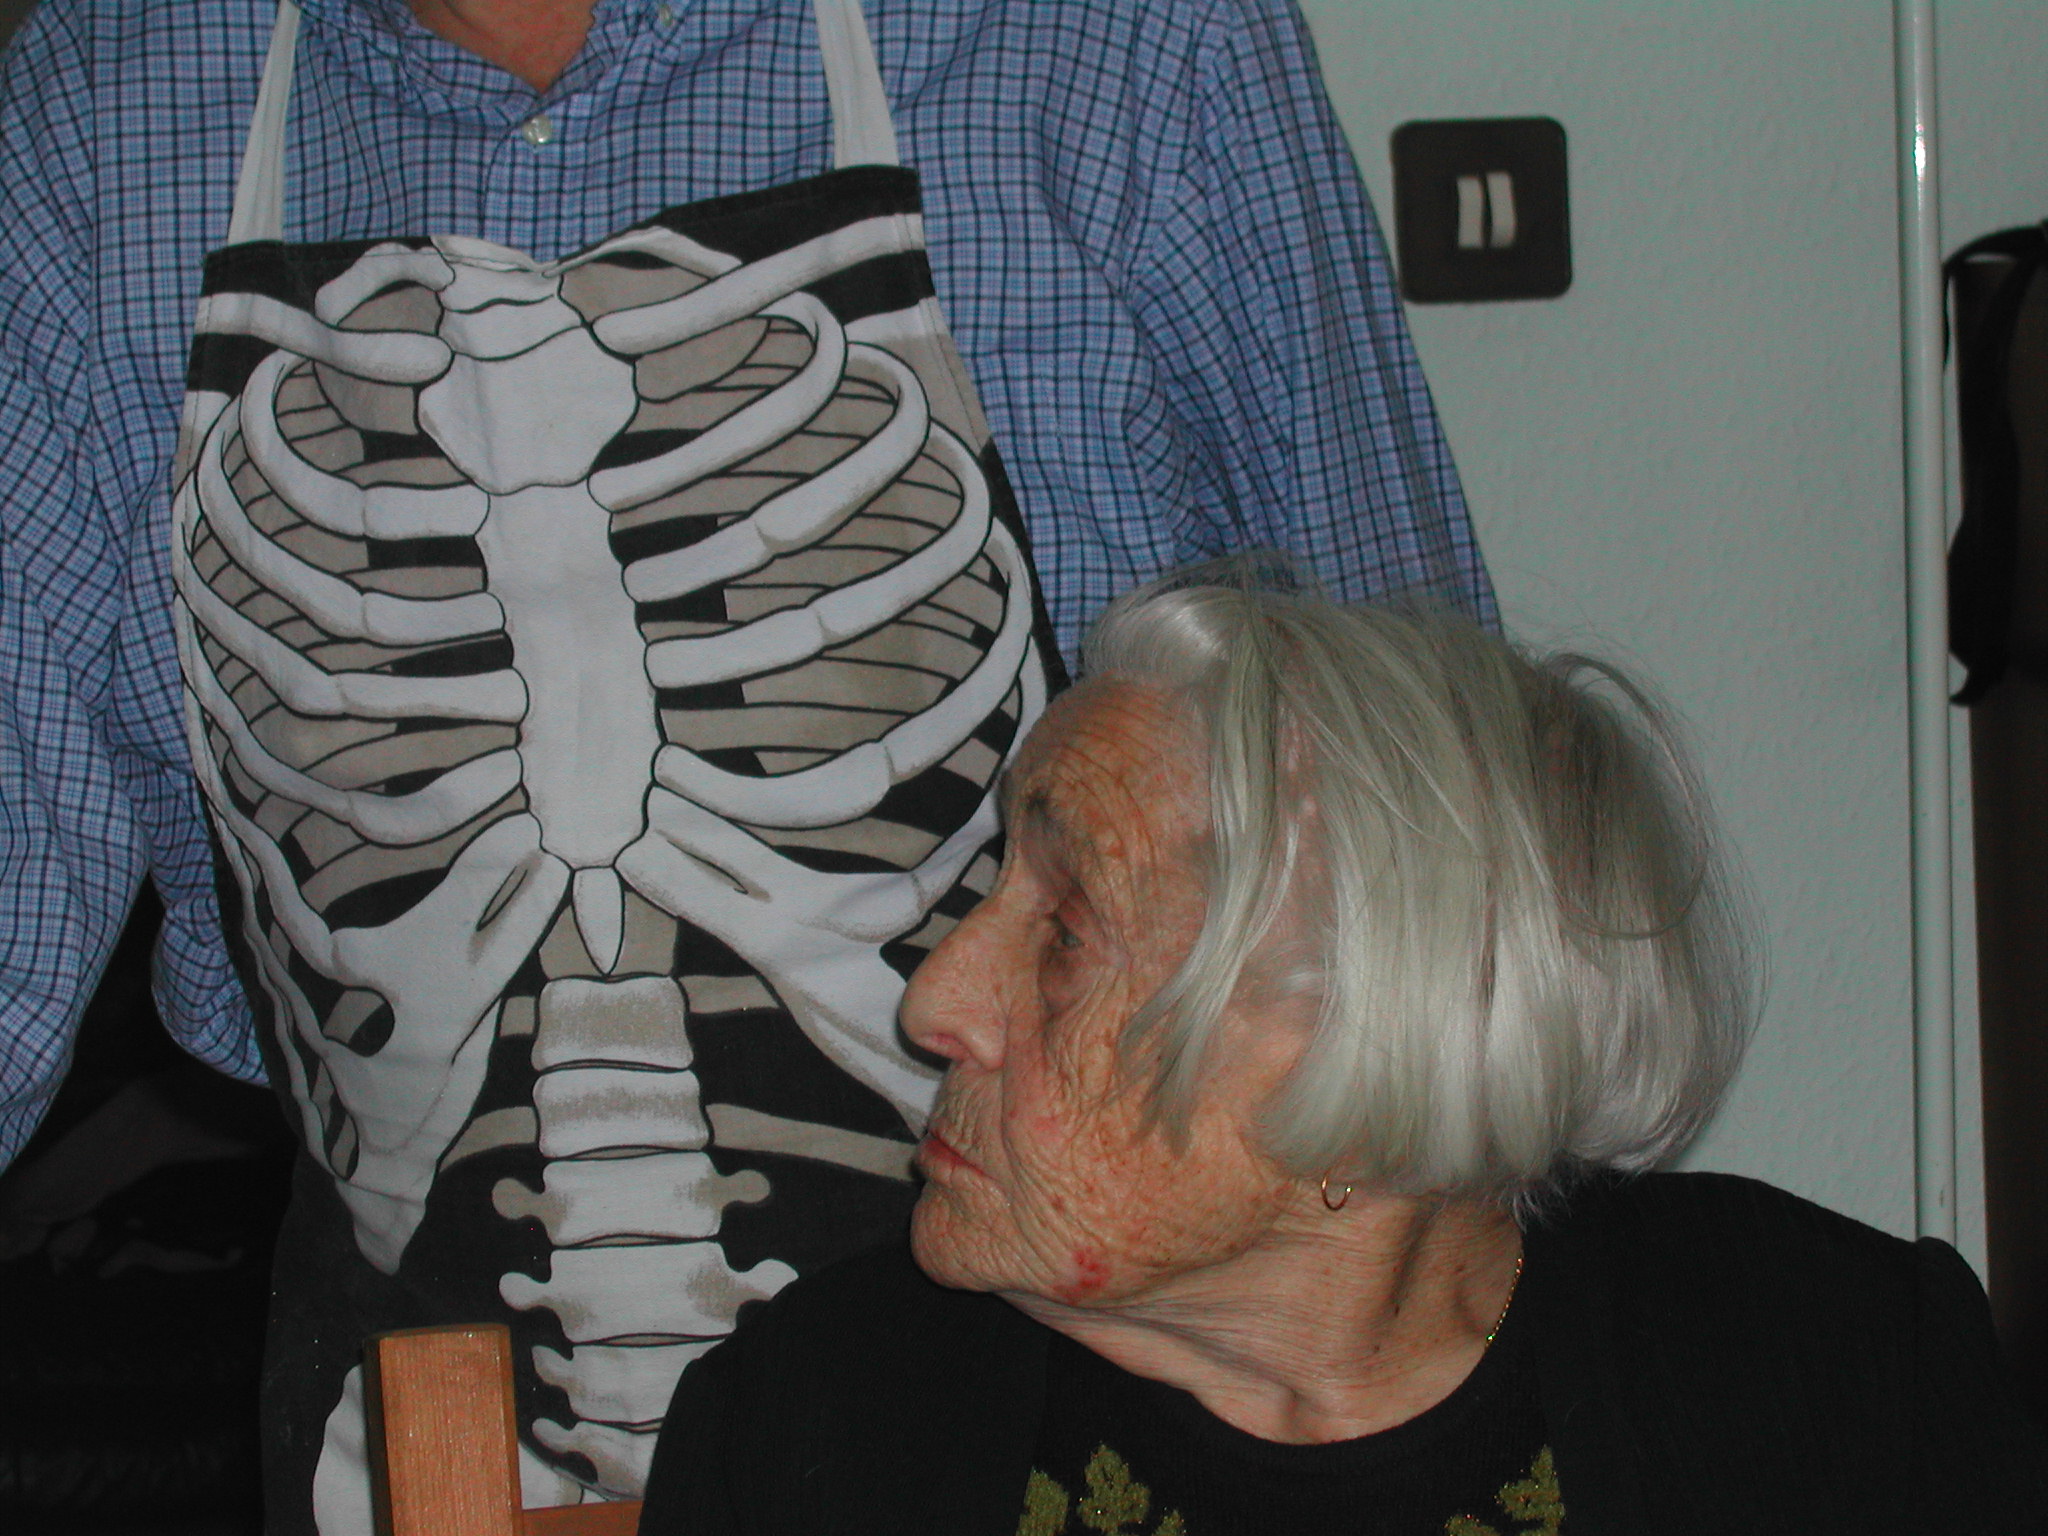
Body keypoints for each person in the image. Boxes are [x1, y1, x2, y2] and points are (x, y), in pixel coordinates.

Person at [0, 0, 1489, 1530]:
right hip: (418, 1446)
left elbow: (1447, 838)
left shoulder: (1121, 39)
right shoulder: (99, 120)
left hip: (1096, 1443)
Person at [641, 572, 2048, 1535]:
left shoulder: (1845, 1388)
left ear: (1364, 1067)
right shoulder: (817, 1434)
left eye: (1065, 932)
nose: (936, 1002)